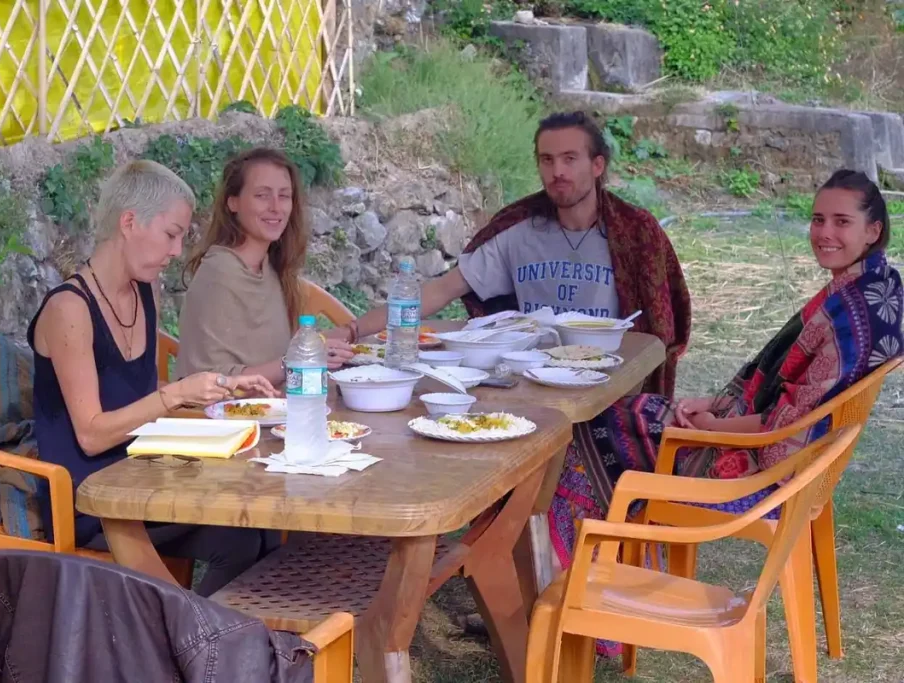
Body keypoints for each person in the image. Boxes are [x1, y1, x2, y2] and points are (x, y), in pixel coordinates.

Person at [550, 169, 903, 656]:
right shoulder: (871, 290)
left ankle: (592, 609)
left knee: (589, 430)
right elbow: (781, 396)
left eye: (842, 222)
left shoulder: (854, 313)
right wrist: (711, 407)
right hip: (794, 459)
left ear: (873, 231)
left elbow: (787, 425)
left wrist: (716, 427)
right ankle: (608, 591)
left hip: (764, 469)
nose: (824, 233)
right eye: (818, 219)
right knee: (621, 412)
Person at [29, 159, 281, 597]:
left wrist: (221, 387)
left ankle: (198, 640)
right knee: (245, 536)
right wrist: (177, 395)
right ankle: (188, 638)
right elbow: (90, 434)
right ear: (129, 222)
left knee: (257, 531)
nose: (176, 251)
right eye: (171, 234)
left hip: (144, 479)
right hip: (93, 499)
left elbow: (140, 397)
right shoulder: (69, 309)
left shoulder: (144, 291)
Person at [330, 110, 691, 396]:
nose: (558, 172)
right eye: (547, 160)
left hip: (608, 385)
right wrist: (352, 329)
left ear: (597, 166)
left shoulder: (635, 234)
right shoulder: (518, 231)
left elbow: (661, 327)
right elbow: (441, 290)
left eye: (570, 159)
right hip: (530, 385)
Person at [177, 147, 354, 385]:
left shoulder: (271, 268)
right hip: (222, 417)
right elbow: (211, 381)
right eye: (262, 195)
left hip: (277, 409)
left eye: (284, 196)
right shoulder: (220, 273)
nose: (275, 207)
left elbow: (277, 357)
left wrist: (324, 345)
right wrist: (299, 361)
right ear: (233, 202)